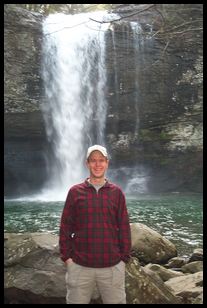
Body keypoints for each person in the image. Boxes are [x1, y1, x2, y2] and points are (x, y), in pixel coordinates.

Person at [59, 144, 132, 304]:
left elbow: (124, 227)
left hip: (112, 266)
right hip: (79, 266)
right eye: (93, 161)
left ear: (107, 163)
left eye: (101, 160)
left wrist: (123, 259)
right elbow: (65, 227)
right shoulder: (75, 192)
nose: (97, 165)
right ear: (87, 163)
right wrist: (67, 258)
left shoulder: (117, 193)